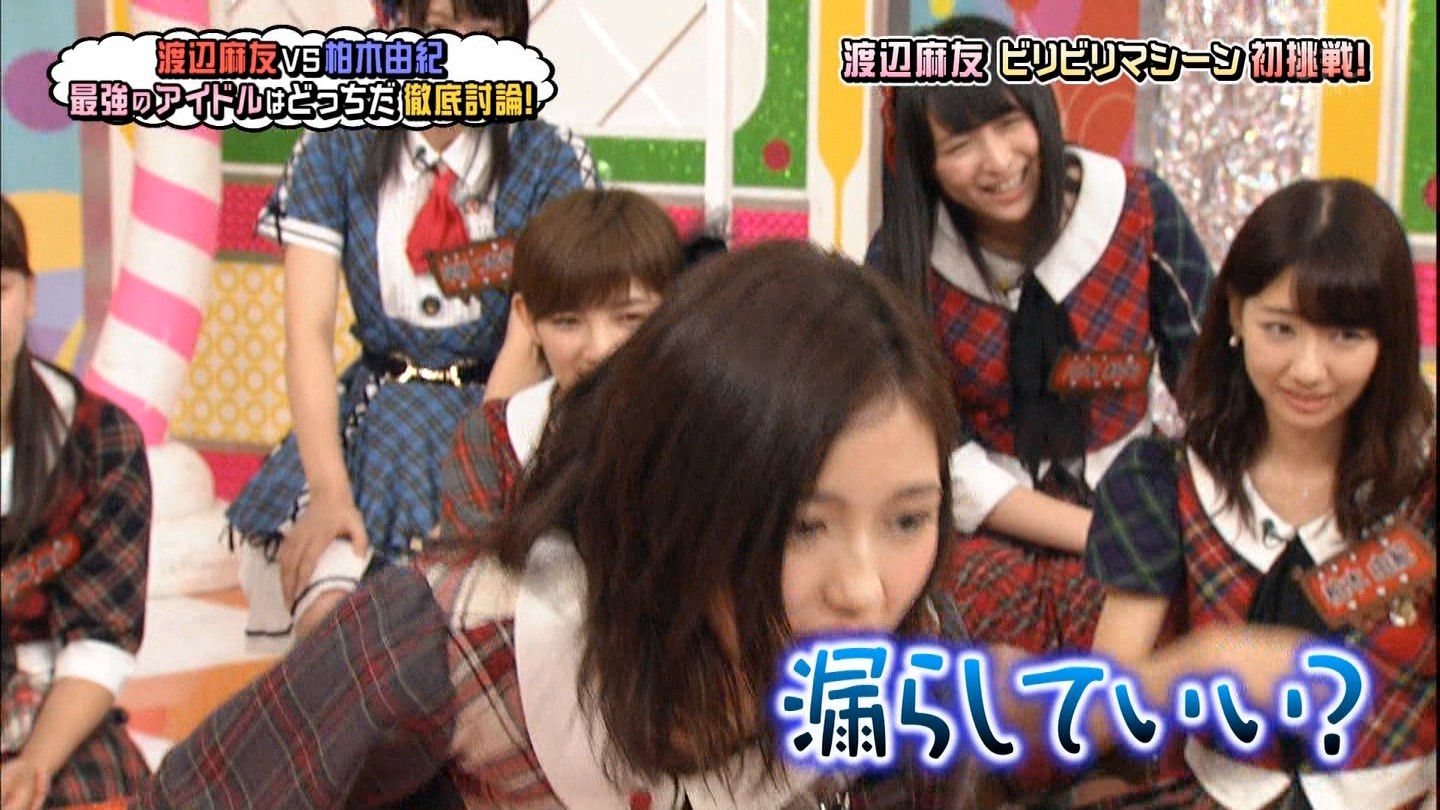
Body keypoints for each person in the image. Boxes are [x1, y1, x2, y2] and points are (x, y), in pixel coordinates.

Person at [134, 241, 969, 809]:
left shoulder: (912, 659)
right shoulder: (453, 639)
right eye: (803, 527)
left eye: (908, 519)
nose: (864, 590)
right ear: (677, 500)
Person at [226, 0, 598, 641]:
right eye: (437, 26)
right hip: (372, 422)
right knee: (330, 621)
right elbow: (307, 332)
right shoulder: (337, 144)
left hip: (500, 416)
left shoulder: (549, 158)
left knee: (478, 631)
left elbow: (530, 336)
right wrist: (329, 491)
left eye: (484, 30)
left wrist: (481, 480)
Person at [1084, 179, 1436, 808]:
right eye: (1281, 329)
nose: (1308, 369)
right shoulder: (1168, 481)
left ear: (1390, 339)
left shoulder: (1424, 488)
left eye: (1346, 336)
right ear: (1236, 315)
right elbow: (1099, 717)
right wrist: (1201, 661)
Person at [869, 14, 1213, 654]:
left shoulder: (1139, 209)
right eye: (960, 144)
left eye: (1009, 123)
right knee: (966, 637)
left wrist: (1164, 520)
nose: (998, 162)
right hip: (981, 525)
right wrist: (1094, 534)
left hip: (1132, 499)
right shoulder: (903, 258)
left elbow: (1213, 381)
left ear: (1041, 110)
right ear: (924, 160)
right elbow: (920, 442)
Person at [0, 196, 152, 809]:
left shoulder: (98, 441)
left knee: (93, 792)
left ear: (30, 296)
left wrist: (32, 768)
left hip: (47, 702)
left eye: (0, 289)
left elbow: (101, 639)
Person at [436, 187, 684, 542]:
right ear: (527, 318)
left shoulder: (705, 433)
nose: (600, 349)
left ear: (675, 307)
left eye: (630, 318)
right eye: (567, 322)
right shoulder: (492, 440)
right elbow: (470, 572)